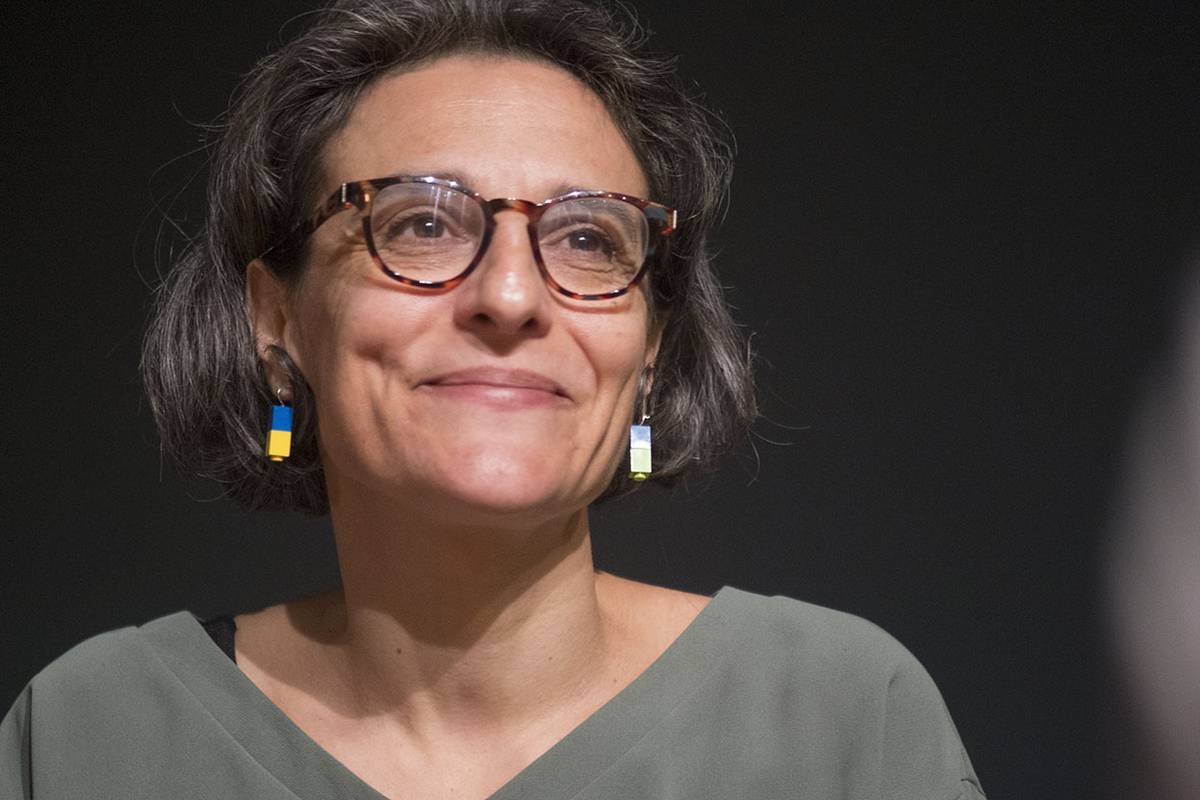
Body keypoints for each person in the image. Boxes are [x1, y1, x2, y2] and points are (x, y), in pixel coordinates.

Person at [0, 1, 985, 797]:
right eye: (421, 224)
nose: (511, 297)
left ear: (649, 349)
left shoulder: (841, 720)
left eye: (590, 238)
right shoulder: (92, 736)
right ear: (278, 318)